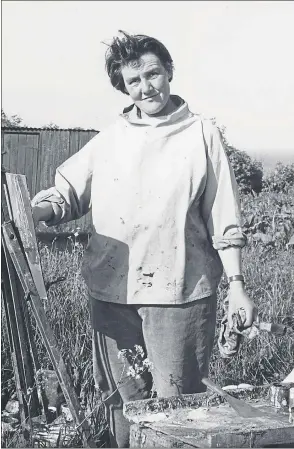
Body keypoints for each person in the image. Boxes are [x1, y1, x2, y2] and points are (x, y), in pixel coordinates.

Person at [32, 31, 258, 447]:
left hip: (180, 294)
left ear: (169, 72)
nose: (146, 87)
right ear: (123, 86)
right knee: (122, 402)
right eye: (134, 81)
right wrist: (29, 211)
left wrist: (237, 287)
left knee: (179, 409)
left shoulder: (200, 135)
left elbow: (223, 215)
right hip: (112, 292)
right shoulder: (110, 139)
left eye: (153, 74)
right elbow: (65, 195)